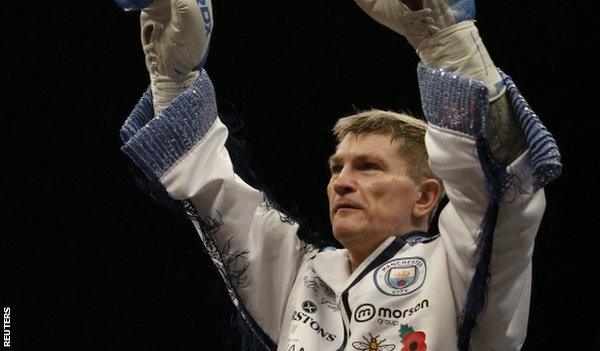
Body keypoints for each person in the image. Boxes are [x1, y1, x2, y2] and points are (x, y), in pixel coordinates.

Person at [115, 0, 561, 350]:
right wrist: (172, 82)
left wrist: (449, 43)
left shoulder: (454, 272)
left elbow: (505, 190)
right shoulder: (301, 274)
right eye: (337, 168)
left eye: (369, 167)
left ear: (425, 197)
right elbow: (213, 194)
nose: (342, 182)